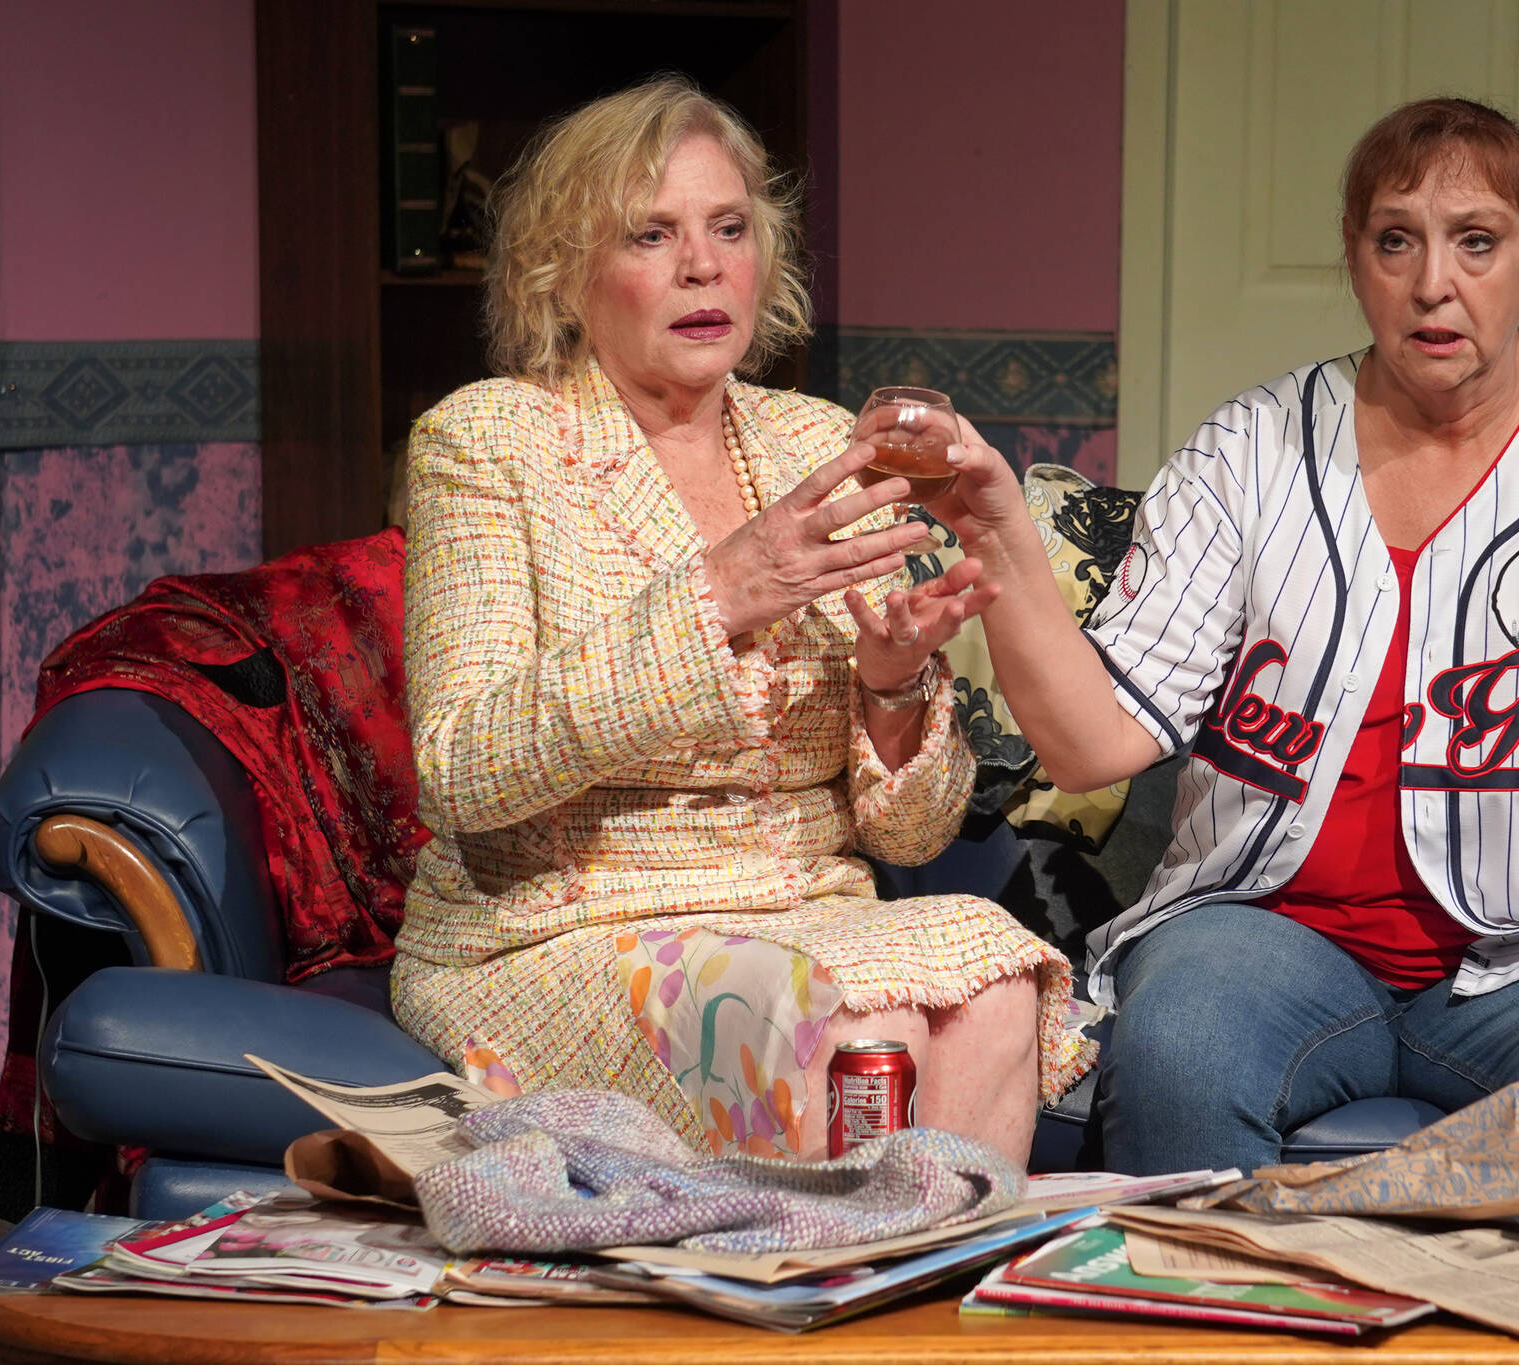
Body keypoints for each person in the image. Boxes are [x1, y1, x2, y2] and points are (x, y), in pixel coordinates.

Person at [929, 98, 1519, 1203]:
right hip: (1265, 937)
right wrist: (997, 537)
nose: (1433, 284)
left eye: (1476, 240)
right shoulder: (1247, 448)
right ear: (1355, 258)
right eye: (1394, 240)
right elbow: (1091, 744)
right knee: (1176, 1047)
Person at [389, 77, 1093, 1167]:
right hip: (555, 935)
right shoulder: (486, 443)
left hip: (806, 912)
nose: (702, 266)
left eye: (728, 229)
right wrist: (717, 596)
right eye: (651, 234)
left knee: (995, 979)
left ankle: (927, 1317)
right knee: (850, 1019)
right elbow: (463, 770)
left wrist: (895, 684)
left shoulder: (813, 441)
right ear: (565, 272)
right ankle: (816, 1309)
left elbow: (907, 837)